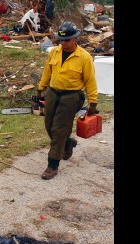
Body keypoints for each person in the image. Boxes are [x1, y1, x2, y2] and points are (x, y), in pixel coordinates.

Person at [37, 21, 98, 180]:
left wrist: (93, 102)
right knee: (49, 125)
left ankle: (52, 165)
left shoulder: (84, 57)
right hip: (52, 93)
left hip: (71, 96)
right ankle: (67, 143)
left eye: (67, 40)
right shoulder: (54, 52)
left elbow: (90, 81)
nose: (63, 43)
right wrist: (41, 89)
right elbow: (47, 71)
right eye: (61, 40)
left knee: (59, 129)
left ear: (75, 38)